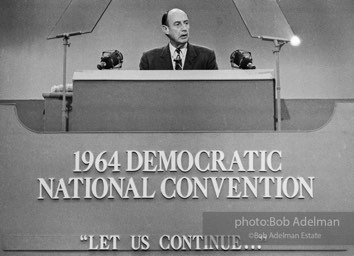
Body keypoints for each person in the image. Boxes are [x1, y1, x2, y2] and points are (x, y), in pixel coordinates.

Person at [139, 8, 218, 70]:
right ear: (166, 29)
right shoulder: (149, 59)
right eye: (177, 24)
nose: (184, 28)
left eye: (186, 23)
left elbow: (214, 88)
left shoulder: (206, 56)